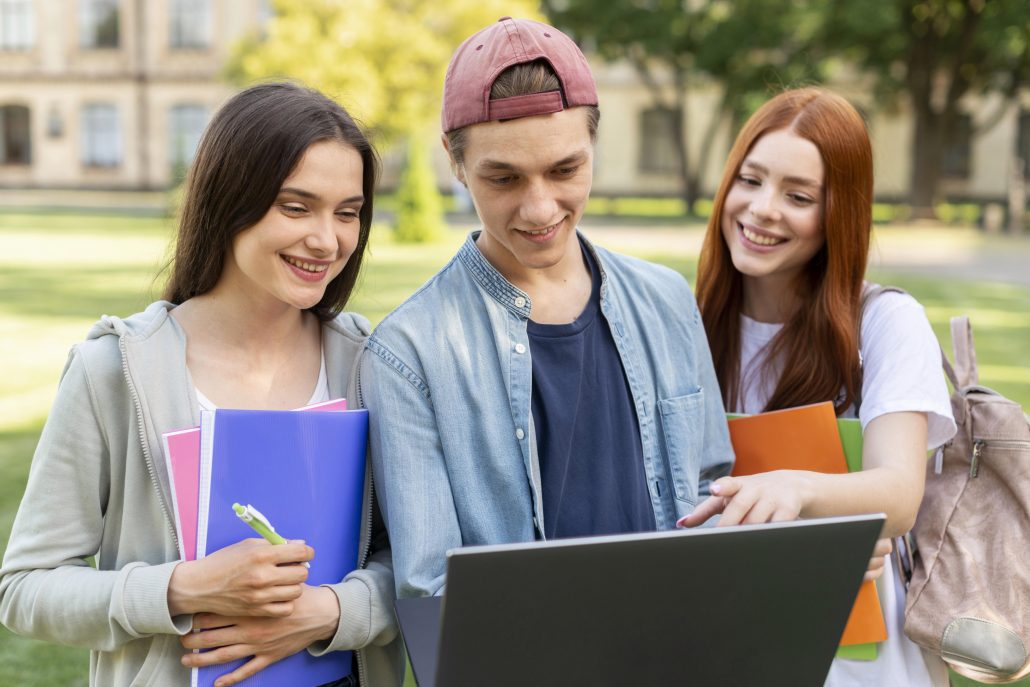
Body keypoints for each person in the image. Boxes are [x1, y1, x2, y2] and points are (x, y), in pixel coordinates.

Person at [0, 82, 402, 687]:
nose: (328, 240)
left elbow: (421, 563)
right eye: (296, 207)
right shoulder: (113, 371)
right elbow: (25, 589)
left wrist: (331, 610)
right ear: (229, 200)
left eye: (348, 212)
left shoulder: (373, 365)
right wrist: (183, 587)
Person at [360, 17, 733, 600]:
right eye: (503, 178)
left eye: (565, 170)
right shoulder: (409, 351)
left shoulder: (667, 300)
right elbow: (431, 586)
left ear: (593, 145)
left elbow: (713, 489)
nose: (539, 210)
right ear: (455, 163)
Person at [683, 87, 956, 686]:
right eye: (750, 181)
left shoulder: (885, 321)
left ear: (839, 215)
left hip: (856, 655)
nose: (762, 209)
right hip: (727, 635)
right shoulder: (682, 323)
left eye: (798, 196)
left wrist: (799, 492)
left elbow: (899, 493)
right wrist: (828, 532)